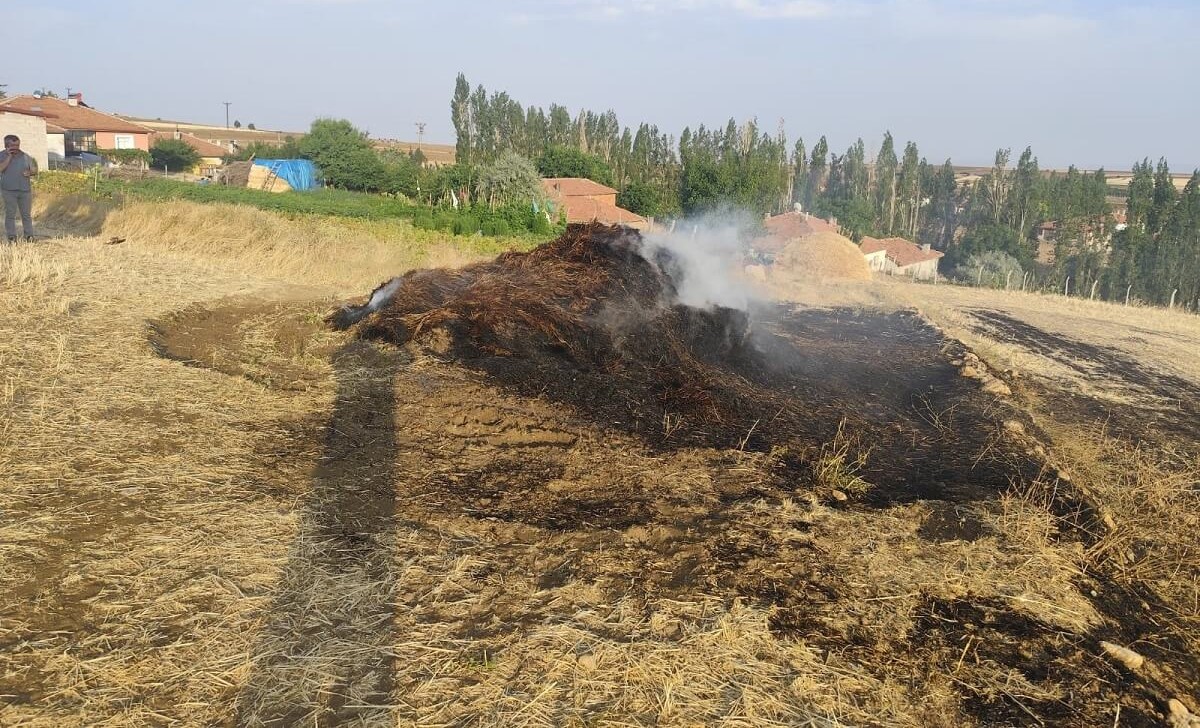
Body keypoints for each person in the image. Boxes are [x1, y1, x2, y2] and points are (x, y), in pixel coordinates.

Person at [0, 134, 38, 241]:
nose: (17, 148)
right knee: (10, 215)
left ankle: (29, 236)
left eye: (18, 145)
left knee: (26, 215)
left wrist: (30, 172)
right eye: (13, 146)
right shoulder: (1, 155)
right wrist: (9, 157)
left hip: (25, 190)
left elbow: (35, 170)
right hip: (8, 190)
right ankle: (12, 237)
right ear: (6, 145)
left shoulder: (26, 156)